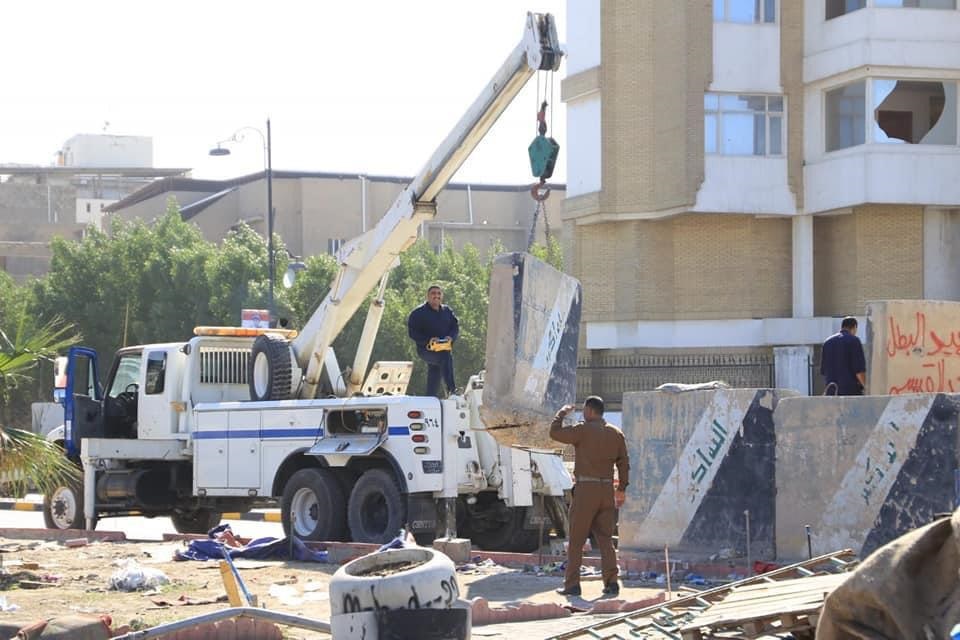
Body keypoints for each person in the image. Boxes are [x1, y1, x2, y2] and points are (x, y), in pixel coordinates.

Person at [549, 396, 630, 598]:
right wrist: (622, 489)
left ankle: (572, 585)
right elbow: (624, 463)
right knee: (605, 540)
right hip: (606, 491)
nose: (583, 413)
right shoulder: (616, 434)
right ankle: (612, 583)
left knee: (576, 540)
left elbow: (554, 433)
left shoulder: (583, 430)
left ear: (591, 411)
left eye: (585, 409)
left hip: (586, 490)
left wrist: (561, 413)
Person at [407, 285, 460, 398]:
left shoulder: (447, 311)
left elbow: (455, 327)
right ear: (427, 296)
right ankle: (451, 389)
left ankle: (430, 397)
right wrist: (428, 340)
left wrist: (451, 337)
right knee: (445, 358)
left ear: (442, 296)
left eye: (438, 293)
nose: (436, 296)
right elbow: (413, 333)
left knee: (436, 370)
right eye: (433, 293)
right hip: (426, 350)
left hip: (443, 347)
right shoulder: (418, 313)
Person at [821, 316, 867, 396]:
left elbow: (824, 371)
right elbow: (859, 371)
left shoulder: (827, 342)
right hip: (850, 393)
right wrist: (867, 388)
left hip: (831, 392)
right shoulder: (854, 341)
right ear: (854, 327)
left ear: (842, 326)